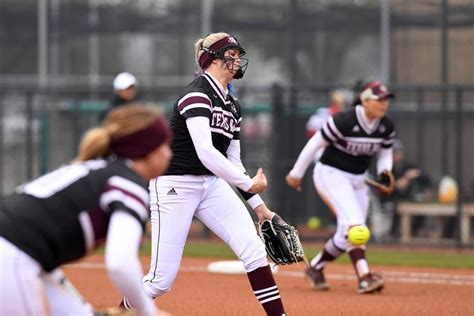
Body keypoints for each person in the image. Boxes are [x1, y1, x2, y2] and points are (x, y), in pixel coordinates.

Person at [122, 32, 286, 315]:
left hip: (211, 185)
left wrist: (260, 208)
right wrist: (248, 183)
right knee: (160, 281)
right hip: (174, 184)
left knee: (255, 251)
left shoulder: (232, 105)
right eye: (231, 55)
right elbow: (206, 152)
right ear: (212, 59)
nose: (237, 61)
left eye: (237, 55)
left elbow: (233, 161)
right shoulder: (197, 93)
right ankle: (120, 311)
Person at [0, 105, 172, 316]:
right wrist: (147, 311)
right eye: (163, 145)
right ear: (146, 151)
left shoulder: (99, 169)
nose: (169, 153)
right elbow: (121, 263)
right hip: (13, 255)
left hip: (21, 252)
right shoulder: (127, 184)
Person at [286, 81, 396, 294]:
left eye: (386, 100)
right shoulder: (345, 120)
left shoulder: (386, 126)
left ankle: (316, 267)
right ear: (365, 101)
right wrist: (296, 174)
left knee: (348, 232)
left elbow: (385, 153)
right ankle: (364, 277)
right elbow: (315, 143)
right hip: (331, 173)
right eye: (379, 99)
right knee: (355, 226)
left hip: (359, 178)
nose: (384, 104)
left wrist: (385, 172)